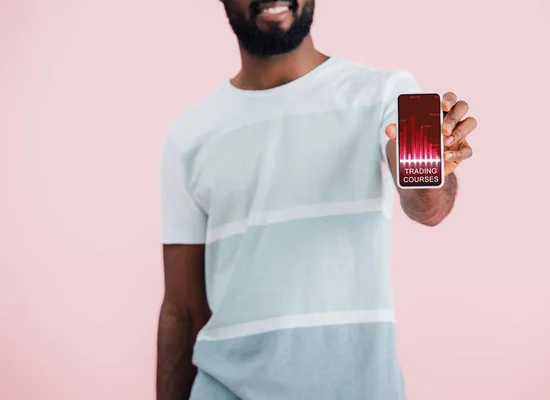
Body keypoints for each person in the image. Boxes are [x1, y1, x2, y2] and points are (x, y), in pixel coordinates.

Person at [156, 1, 477, 399]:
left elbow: (425, 202)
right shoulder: (190, 134)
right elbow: (181, 312)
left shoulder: (386, 94)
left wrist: (433, 168)